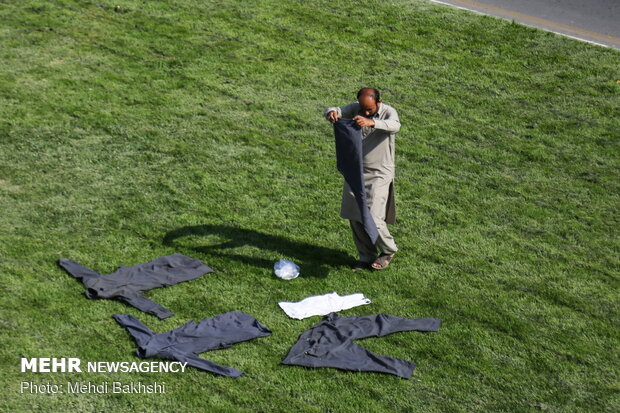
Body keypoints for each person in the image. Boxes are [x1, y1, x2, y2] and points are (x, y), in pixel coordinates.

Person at [325, 88, 401, 270]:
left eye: (370, 109)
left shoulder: (388, 112)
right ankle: (366, 256)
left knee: (374, 216)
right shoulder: (356, 108)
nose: (365, 112)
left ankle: (388, 250)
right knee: (354, 215)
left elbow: (395, 125)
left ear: (378, 101)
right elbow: (333, 108)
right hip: (356, 170)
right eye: (363, 109)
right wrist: (332, 113)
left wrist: (372, 122)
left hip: (379, 172)